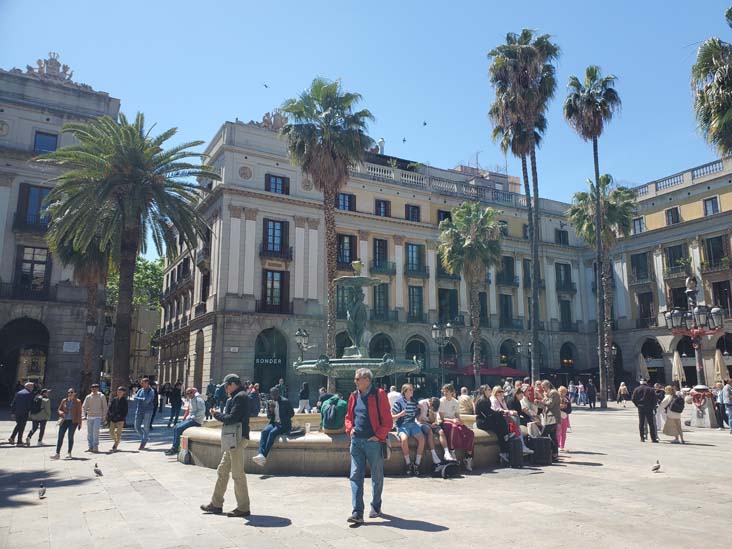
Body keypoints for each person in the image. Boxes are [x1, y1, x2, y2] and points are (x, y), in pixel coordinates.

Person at [344, 368, 393, 524]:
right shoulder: (353, 396)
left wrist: (378, 436)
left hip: (373, 443)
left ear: (367, 380)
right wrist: (349, 428)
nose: (355, 381)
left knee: (376, 476)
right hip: (356, 441)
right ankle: (357, 512)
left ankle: (376, 505)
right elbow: (348, 417)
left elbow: (387, 421)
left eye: (357, 379)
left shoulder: (379, 395)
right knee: (355, 475)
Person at [200, 374, 251, 517]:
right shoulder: (236, 397)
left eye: (227, 386)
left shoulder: (240, 396)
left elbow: (232, 418)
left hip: (238, 439)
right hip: (233, 440)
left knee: (237, 474)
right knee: (222, 470)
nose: (226, 389)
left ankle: (243, 507)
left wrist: (217, 415)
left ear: (234, 384)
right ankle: (216, 504)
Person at [252, 386, 294, 466]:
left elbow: (292, 413)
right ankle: (260, 454)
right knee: (264, 432)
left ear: (278, 394)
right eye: (272, 395)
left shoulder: (285, 401)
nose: (273, 396)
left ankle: (264, 455)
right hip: (274, 423)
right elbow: (269, 417)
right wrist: (271, 411)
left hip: (283, 424)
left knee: (272, 433)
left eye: (275, 395)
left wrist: (283, 418)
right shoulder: (270, 403)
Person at [438, 383, 475, 470]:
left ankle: (468, 457)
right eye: (444, 391)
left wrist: (461, 422)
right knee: (454, 427)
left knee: (470, 433)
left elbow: (457, 415)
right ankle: (452, 450)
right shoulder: (441, 401)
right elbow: (442, 418)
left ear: (452, 392)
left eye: (446, 391)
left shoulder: (456, 402)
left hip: (454, 421)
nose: (445, 393)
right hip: (445, 422)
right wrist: (453, 420)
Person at [391, 383, 425, 476]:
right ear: (405, 392)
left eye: (412, 390)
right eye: (410, 390)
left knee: (422, 439)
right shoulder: (399, 402)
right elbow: (391, 417)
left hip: (413, 424)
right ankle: (408, 464)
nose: (412, 391)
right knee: (404, 439)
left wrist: (422, 411)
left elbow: (418, 419)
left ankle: (417, 463)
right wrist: (400, 415)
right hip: (402, 425)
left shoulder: (414, 402)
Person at [474, 385, 512, 462]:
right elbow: (488, 413)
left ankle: (504, 450)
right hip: (482, 422)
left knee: (499, 430)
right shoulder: (483, 400)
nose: (490, 391)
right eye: (488, 389)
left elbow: (490, 413)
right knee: (500, 421)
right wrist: (499, 413)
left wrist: (498, 413)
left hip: (485, 420)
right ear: (484, 391)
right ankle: (505, 437)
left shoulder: (486, 399)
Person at [491, 386, 532, 455]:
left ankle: (522, 445)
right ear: (495, 392)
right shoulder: (494, 399)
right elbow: (498, 410)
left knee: (517, 422)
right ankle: (522, 446)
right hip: (498, 420)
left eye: (502, 391)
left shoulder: (503, 400)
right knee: (515, 420)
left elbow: (506, 409)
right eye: (499, 392)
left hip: (505, 418)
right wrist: (511, 412)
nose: (501, 393)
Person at [166, 387, 206, 455]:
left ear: (193, 392)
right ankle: (174, 447)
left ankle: (175, 448)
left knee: (178, 429)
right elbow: (190, 411)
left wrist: (193, 417)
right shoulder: (191, 400)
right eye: (187, 393)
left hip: (196, 420)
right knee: (176, 427)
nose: (189, 394)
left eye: (190, 392)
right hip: (190, 419)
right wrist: (186, 417)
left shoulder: (198, 400)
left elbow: (202, 410)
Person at [51, 388, 82, 460]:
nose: (70, 394)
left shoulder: (78, 401)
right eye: (69, 392)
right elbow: (59, 409)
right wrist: (61, 412)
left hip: (73, 421)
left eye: (71, 392)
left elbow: (79, 413)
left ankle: (69, 452)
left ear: (74, 393)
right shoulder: (64, 400)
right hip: (64, 421)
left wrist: (80, 423)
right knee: (60, 436)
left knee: (70, 436)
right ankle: (57, 453)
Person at [416, 397, 443, 466]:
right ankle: (434, 455)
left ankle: (447, 452)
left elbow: (433, 420)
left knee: (441, 431)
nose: (432, 409)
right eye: (431, 407)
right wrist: (430, 425)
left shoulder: (434, 406)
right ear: (430, 402)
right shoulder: (421, 404)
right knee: (429, 430)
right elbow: (419, 420)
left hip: (429, 423)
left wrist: (434, 420)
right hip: (420, 423)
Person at [83, 383, 108, 453]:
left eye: (96, 388)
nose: (94, 389)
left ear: (98, 389)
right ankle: (90, 447)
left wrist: (104, 416)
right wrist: (84, 415)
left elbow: (105, 407)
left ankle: (95, 446)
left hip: (98, 416)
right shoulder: (88, 397)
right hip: (90, 417)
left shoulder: (101, 396)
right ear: (91, 389)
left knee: (95, 432)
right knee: (90, 433)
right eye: (93, 388)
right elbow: (84, 406)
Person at [539, 380, 561, 461]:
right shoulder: (549, 393)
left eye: (544, 387)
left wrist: (543, 401)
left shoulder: (553, 393)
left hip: (553, 418)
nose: (543, 389)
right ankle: (554, 454)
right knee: (553, 437)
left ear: (548, 386)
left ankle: (548, 453)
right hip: (550, 418)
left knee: (543, 435)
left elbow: (550, 404)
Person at [8, 382, 34, 446]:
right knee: (21, 426)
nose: (33, 388)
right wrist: (31, 412)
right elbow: (29, 404)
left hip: (17, 412)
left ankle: (12, 437)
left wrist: (13, 413)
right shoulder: (29, 394)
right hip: (24, 412)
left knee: (19, 425)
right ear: (29, 387)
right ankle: (19, 441)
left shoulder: (18, 393)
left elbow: (13, 403)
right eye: (32, 386)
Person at [134, 378, 156, 450]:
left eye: (143, 383)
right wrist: (141, 399)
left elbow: (147, 400)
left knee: (146, 427)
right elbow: (134, 398)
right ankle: (145, 438)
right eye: (141, 383)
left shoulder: (151, 391)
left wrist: (139, 399)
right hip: (139, 410)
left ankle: (143, 443)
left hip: (148, 411)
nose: (141, 384)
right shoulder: (140, 390)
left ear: (147, 383)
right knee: (136, 426)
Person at [107, 386, 128, 452]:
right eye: (118, 391)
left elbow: (125, 410)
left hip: (120, 419)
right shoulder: (114, 399)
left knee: (118, 433)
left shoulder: (124, 401)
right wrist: (110, 415)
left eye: (120, 392)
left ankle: (115, 445)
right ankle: (117, 441)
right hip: (113, 418)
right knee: (111, 431)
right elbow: (110, 408)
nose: (119, 393)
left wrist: (121, 417)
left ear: (123, 393)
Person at [557, 386, 572, 452]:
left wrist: (564, 408)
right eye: (560, 391)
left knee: (563, 432)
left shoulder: (567, 399)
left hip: (564, 417)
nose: (561, 393)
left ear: (565, 393)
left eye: (563, 392)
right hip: (557, 416)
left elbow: (569, 410)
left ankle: (562, 446)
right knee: (558, 432)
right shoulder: (556, 398)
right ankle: (557, 446)